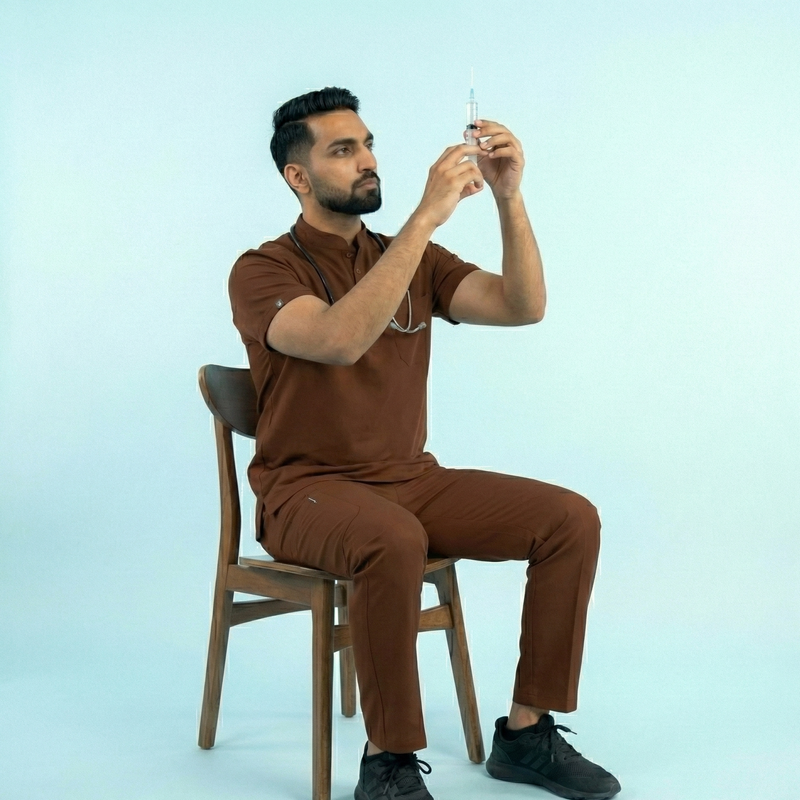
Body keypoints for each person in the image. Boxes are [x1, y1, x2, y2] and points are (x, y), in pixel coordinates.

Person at [228, 87, 620, 800]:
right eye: (342, 151)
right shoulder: (261, 272)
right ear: (298, 176)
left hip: (407, 478)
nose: (368, 161)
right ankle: (388, 764)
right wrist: (426, 216)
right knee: (393, 540)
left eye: (368, 143)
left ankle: (528, 733)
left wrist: (507, 197)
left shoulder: (415, 259)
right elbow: (339, 341)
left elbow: (522, 306)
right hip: (302, 492)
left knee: (570, 519)